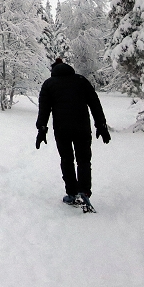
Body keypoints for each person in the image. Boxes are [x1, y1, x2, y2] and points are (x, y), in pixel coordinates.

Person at [36, 58, 110, 206]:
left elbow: (44, 109)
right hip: (82, 127)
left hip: (61, 129)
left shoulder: (49, 84)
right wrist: (101, 125)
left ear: (53, 70)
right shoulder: (81, 81)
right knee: (84, 160)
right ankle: (84, 192)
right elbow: (94, 103)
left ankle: (72, 193)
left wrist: (42, 129)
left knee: (67, 160)